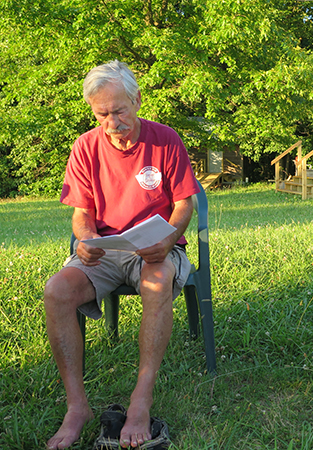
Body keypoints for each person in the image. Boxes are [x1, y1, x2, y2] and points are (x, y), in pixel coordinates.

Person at [44, 60, 200, 449]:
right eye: (102, 114)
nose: (112, 122)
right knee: (56, 291)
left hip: (156, 248)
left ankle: (140, 399)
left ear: (137, 100)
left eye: (119, 111)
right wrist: (85, 239)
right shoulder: (85, 147)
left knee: (157, 280)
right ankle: (76, 406)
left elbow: (184, 204)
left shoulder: (165, 139)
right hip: (107, 250)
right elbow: (82, 214)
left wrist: (168, 240)